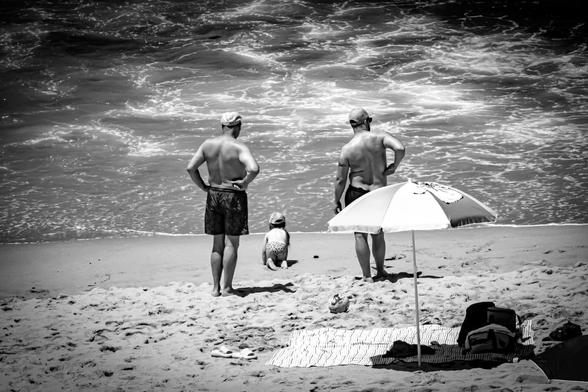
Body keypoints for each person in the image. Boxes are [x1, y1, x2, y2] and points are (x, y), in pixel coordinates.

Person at [186, 112, 260, 296]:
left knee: (216, 244)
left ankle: (215, 288)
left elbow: (190, 168)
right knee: (231, 244)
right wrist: (245, 183)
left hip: (214, 195)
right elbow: (254, 169)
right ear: (237, 127)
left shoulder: (207, 144)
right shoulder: (238, 147)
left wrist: (203, 186)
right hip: (233, 196)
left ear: (222, 126)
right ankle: (227, 287)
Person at [333, 107, 405, 282]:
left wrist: (336, 201)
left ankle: (366, 276)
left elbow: (340, 180)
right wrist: (394, 167)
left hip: (357, 193)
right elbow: (400, 148)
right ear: (366, 121)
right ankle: (380, 270)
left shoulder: (347, 149)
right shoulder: (380, 138)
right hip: (379, 193)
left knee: (360, 234)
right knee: (377, 233)